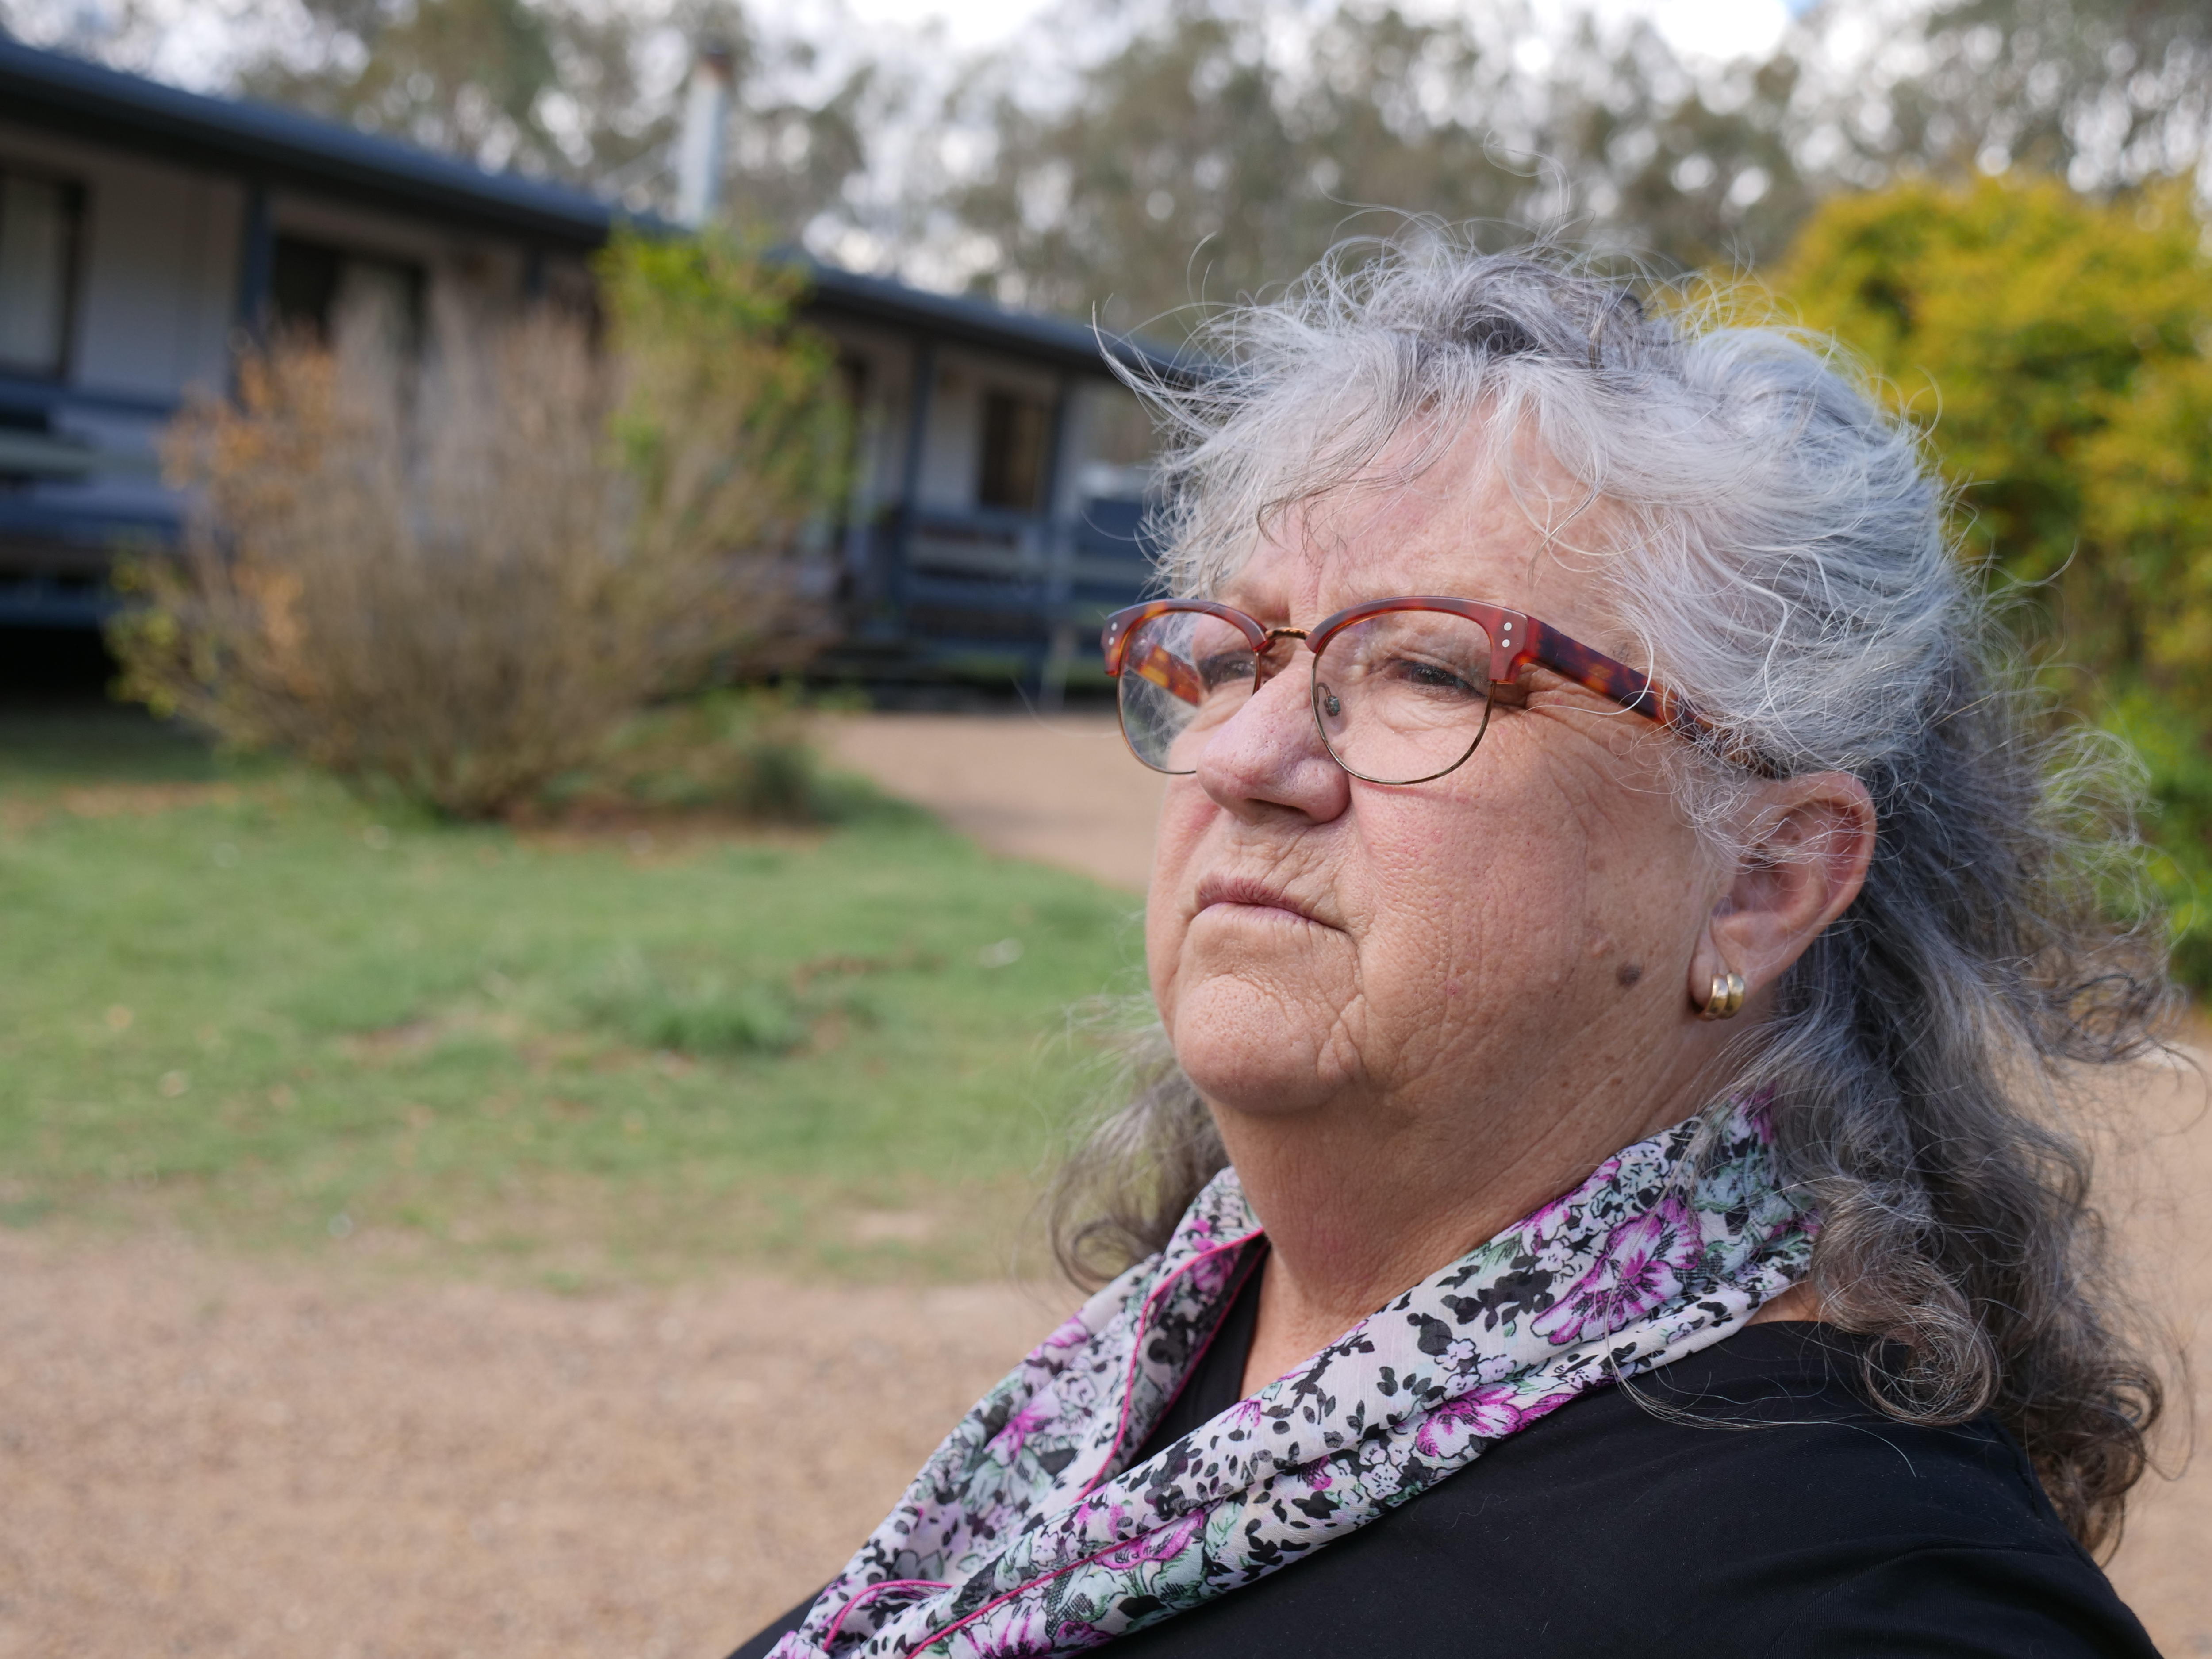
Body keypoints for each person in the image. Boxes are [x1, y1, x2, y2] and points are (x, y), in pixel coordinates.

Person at [733, 246, 2170, 1658]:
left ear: (1763, 880)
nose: (1243, 755)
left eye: (1427, 667)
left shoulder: (1870, 1605)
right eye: (1231, 656)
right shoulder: (1172, 1352)